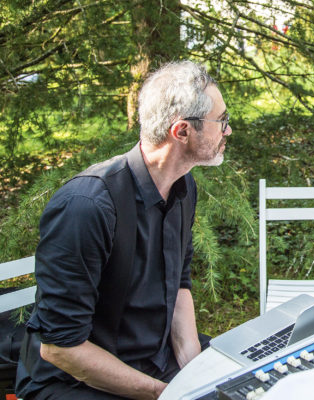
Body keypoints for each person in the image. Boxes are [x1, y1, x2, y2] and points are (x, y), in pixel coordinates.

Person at [15, 61, 232, 399]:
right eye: (221, 121)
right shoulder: (86, 206)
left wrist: (193, 378)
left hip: (153, 363)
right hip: (74, 380)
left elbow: (179, 288)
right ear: (182, 131)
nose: (228, 131)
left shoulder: (183, 187)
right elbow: (60, 348)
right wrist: (168, 395)